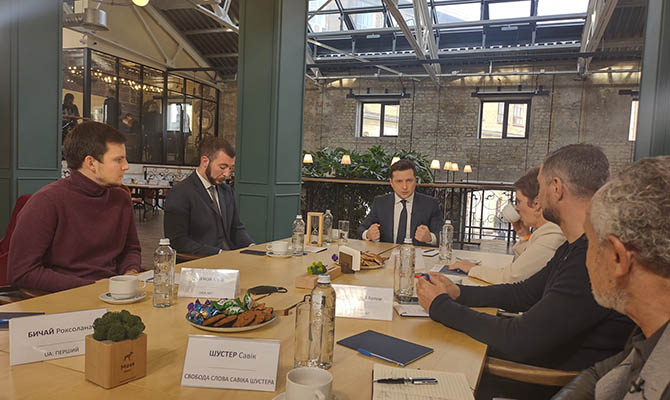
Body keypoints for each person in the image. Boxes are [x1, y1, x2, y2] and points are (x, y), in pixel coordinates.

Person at [417, 144, 634, 398]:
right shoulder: (576, 246)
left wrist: (440, 306)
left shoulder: (593, 257)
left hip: (546, 379)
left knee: (435, 357)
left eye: (540, 188)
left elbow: (520, 339)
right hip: (544, 359)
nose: (537, 200)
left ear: (557, 187)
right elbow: (524, 293)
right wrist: (458, 293)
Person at [552, 156, 670, 400]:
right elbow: (601, 373)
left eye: (590, 243)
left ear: (618, 257)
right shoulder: (649, 333)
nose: (586, 259)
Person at [7, 122, 141, 292]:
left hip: (113, 293)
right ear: (91, 163)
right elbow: (21, 273)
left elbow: (131, 249)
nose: (126, 166)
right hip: (63, 297)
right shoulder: (46, 202)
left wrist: (130, 272)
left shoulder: (121, 198)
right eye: (118, 160)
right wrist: (91, 288)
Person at [450, 167, 565, 284]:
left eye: (518, 202)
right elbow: (528, 262)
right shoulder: (547, 231)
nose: (517, 208)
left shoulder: (552, 234)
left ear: (537, 204)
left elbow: (511, 277)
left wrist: (472, 269)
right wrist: (523, 234)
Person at [164, 136, 253, 256]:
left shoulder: (226, 191)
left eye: (230, 168)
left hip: (229, 258)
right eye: (222, 167)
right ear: (205, 162)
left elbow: (236, 228)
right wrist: (219, 254)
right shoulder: (180, 193)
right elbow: (178, 241)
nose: (227, 174)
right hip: (199, 261)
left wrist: (251, 246)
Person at [356, 159, 443, 246]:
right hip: (387, 253)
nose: (404, 187)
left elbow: (443, 236)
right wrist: (368, 234)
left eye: (409, 181)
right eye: (399, 181)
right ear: (391, 183)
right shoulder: (380, 203)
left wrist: (430, 238)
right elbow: (361, 229)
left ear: (415, 181)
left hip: (417, 254)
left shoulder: (430, 204)